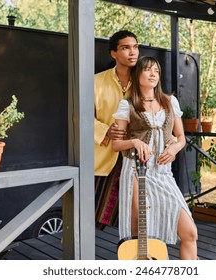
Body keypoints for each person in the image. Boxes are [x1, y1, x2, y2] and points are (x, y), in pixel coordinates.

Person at [112, 56, 198, 260]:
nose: (153, 74)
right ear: (137, 74)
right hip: (136, 173)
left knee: (190, 232)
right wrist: (134, 142)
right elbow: (116, 144)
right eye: (148, 70)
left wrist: (175, 148)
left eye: (156, 71)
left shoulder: (169, 102)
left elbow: (181, 137)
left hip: (162, 173)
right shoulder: (127, 105)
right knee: (140, 235)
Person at [94, 30, 139, 229]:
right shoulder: (95, 82)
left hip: (137, 157)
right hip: (104, 158)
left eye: (135, 47)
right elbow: (81, 116)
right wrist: (106, 131)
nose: (132, 52)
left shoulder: (144, 82)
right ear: (114, 53)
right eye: (125, 48)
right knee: (92, 217)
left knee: (135, 217)